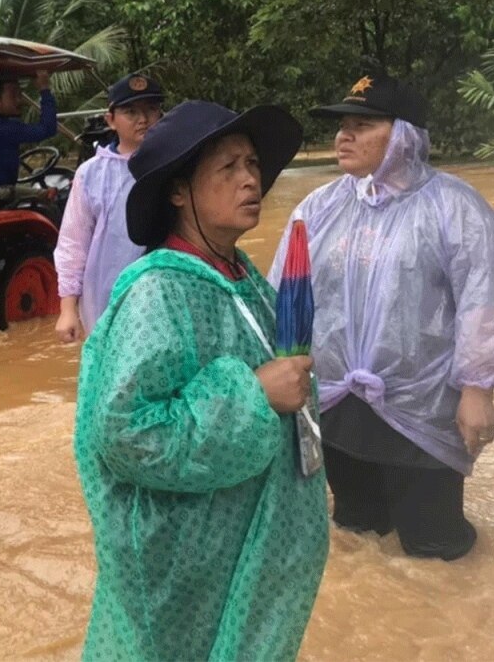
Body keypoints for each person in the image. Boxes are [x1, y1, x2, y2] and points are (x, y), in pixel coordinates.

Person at [74, 101, 327, 660]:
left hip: (232, 555)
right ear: (179, 191)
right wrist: (254, 396)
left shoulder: (243, 280)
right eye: (229, 167)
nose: (250, 179)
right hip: (185, 574)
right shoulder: (157, 292)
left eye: (254, 164)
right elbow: (124, 431)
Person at [270, 73, 494, 561]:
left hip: (423, 409)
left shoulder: (455, 208)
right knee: (357, 529)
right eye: (342, 125)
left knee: (435, 546)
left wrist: (478, 390)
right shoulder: (319, 207)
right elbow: (284, 297)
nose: (342, 136)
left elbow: (483, 301)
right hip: (335, 403)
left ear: (405, 136)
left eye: (361, 124)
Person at [54, 73, 164, 343]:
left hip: (164, 297)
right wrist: (67, 309)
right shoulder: (90, 174)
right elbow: (73, 243)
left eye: (151, 109)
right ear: (110, 120)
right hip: (105, 300)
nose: (143, 119)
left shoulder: (174, 165)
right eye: (131, 111)